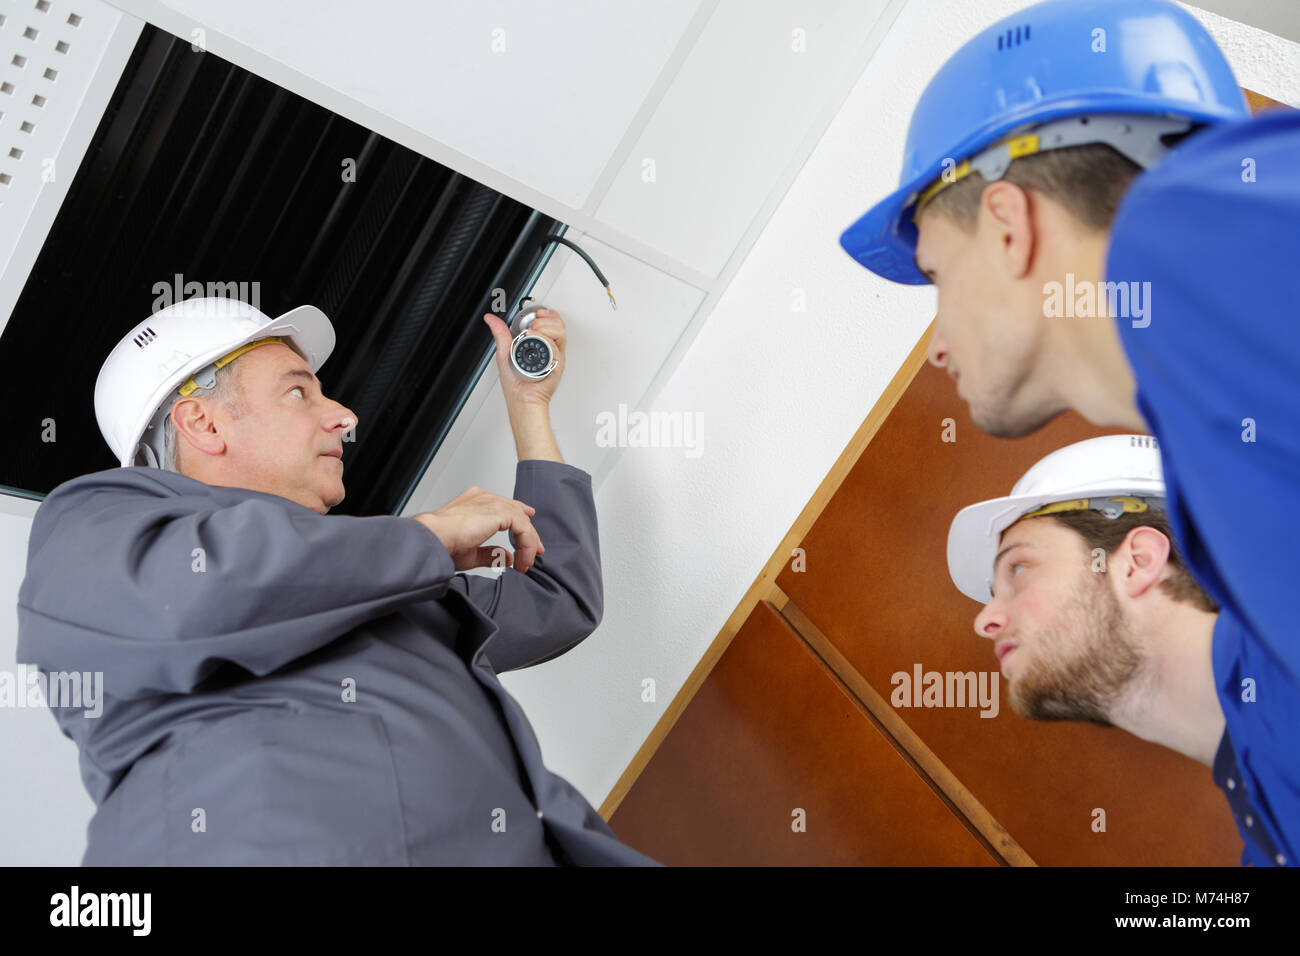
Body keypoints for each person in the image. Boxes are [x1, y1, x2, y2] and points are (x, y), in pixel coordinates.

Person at [840, 0, 1298, 866]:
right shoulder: (1213, 453)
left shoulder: (1207, 238)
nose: (938, 341)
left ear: (1010, 224)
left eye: (936, 272)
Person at [16, 295, 660, 866]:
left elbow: (558, 596)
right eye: (300, 392)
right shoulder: (91, 520)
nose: (345, 415)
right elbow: (189, 594)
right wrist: (428, 536)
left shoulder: (384, 577)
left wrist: (528, 407)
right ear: (203, 424)